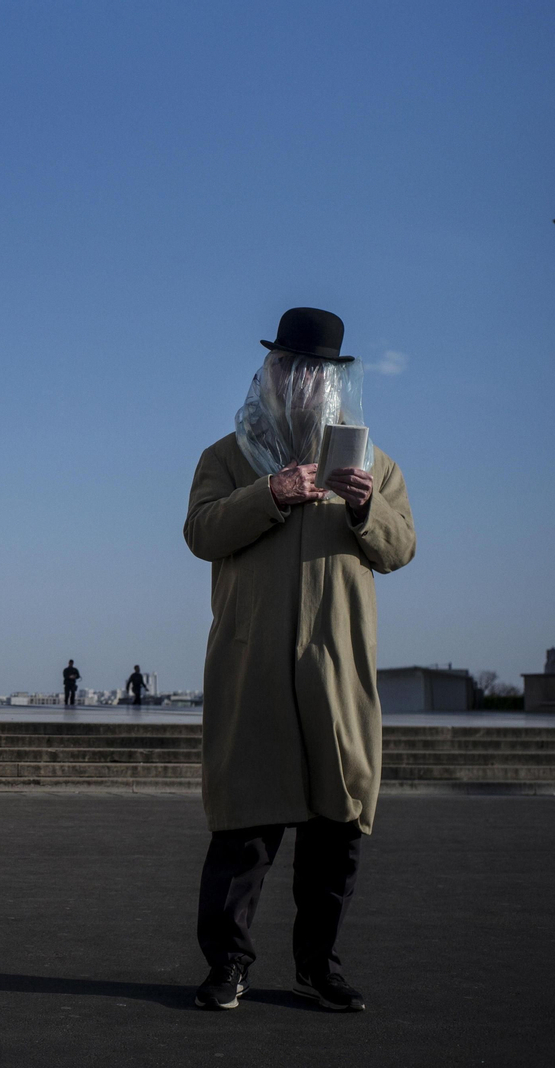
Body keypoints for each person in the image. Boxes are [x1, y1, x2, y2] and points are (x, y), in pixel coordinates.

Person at [183, 307, 416, 1013]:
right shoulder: (227, 456)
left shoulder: (374, 464)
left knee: (335, 829)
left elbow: (400, 546)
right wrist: (270, 492)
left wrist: (364, 508)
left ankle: (319, 965)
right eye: (288, 371)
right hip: (253, 667)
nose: (302, 385)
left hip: (336, 671)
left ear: (338, 383)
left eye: (317, 375)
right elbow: (200, 531)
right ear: (271, 375)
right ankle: (228, 965)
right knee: (244, 829)